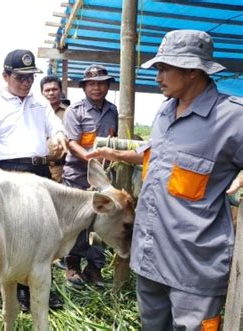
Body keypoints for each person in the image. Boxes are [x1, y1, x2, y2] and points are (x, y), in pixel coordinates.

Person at [86, 30, 243, 330]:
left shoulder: (232, 119)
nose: (157, 76)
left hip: (193, 266)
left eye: (164, 67)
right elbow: (158, 154)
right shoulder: (164, 112)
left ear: (193, 71)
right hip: (150, 258)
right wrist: (117, 155)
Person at [0, 49, 67, 312]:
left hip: (40, 172)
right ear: (6, 75)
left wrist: (61, 136)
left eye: (30, 77)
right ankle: (17, 291)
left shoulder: (40, 103)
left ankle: (40, 287)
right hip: (11, 173)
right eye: (20, 77)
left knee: (44, 232)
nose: (27, 83)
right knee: (17, 234)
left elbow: (55, 125)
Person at [61, 64, 118, 289]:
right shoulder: (75, 111)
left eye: (101, 83)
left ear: (107, 86)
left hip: (104, 179)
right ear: (84, 87)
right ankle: (72, 266)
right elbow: (72, 143)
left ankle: (94, 268)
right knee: (76, 223)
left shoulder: (114, 111)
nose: (97, 88)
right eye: (92, 84)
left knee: (102, 224)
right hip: (77, 176)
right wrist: (92, 161)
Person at [40, 75, 69, 183]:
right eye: (47, 90)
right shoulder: (35, 113)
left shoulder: (69, 113)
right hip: (39, 167)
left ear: (60, 91)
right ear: (42, 93)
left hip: (61, 169)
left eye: (54, 89)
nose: (51, 93)